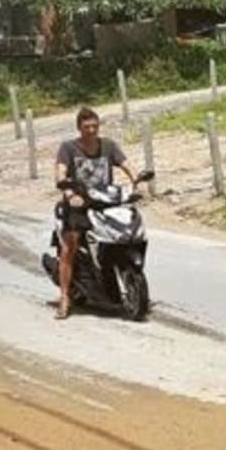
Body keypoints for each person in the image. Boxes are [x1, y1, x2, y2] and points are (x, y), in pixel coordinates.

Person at [54, 106, 139, 320]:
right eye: (86, 127)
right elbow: (60, 171)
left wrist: (137, 182)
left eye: (94, 126)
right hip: (78, 203)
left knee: (126, 230)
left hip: (104, 200)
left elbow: (127, 165)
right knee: (70, 245)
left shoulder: (108, 146)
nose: (91, 130)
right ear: (79, 128)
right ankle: (64, 297)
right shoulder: (68, 148)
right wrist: (68, 191)